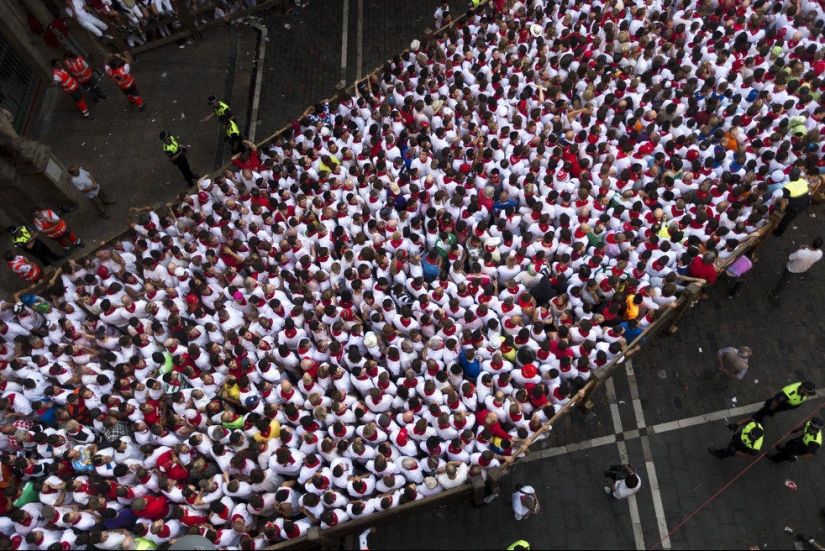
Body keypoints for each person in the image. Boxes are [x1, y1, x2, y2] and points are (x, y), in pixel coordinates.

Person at [752, 381, 817, 423]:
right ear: (803, 390)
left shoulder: (803, 386)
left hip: (787, 404)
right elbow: (775, 402)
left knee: (773, 409)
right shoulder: (788, 393)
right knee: (766, 409)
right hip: (782, 403)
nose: (809, 395)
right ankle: (756, 417)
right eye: (808, 393)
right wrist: (771, 410)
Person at [773, 167, 811, 237]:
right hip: (806, 202)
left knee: (786, 221)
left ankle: (778, 232)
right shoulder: (802, 180)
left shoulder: (788, 186)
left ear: (789, 176)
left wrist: (782, 210)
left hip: (795, 207)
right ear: (798, 176)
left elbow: (784, 201)